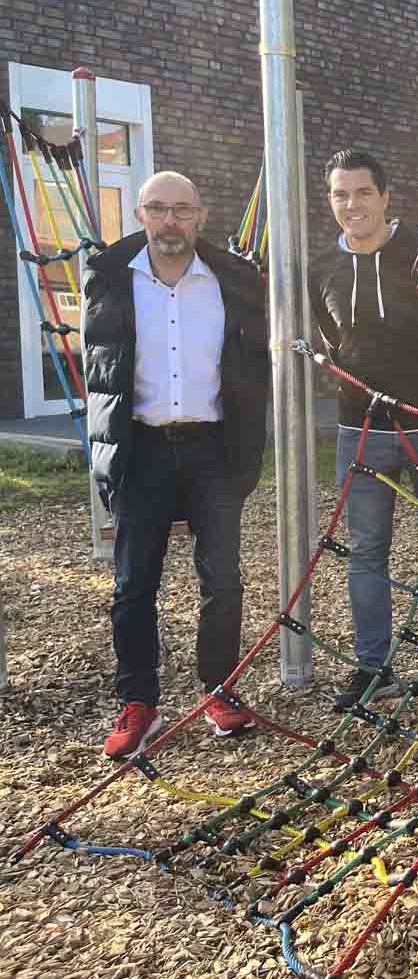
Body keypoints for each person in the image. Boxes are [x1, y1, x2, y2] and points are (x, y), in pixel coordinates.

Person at [84, 171, 270, 759]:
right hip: (140, 448)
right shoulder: (112, 278)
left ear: (201, 215)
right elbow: (102, 376)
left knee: (222, 579)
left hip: (213, 447)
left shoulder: (232, 281)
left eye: (182, 210)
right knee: (134, 582)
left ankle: (218, 688)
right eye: (158, 209)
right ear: (140, 214)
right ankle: (139, 700)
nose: (170, 222)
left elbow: (251, 371)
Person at [310, 150, 418, 710]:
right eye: (339, 195)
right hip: (360, 430)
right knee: (366, 551)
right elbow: (333, 341)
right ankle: (374, 667)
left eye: (362, 193)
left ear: (384, 196)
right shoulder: (322, 268)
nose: (351, 205)